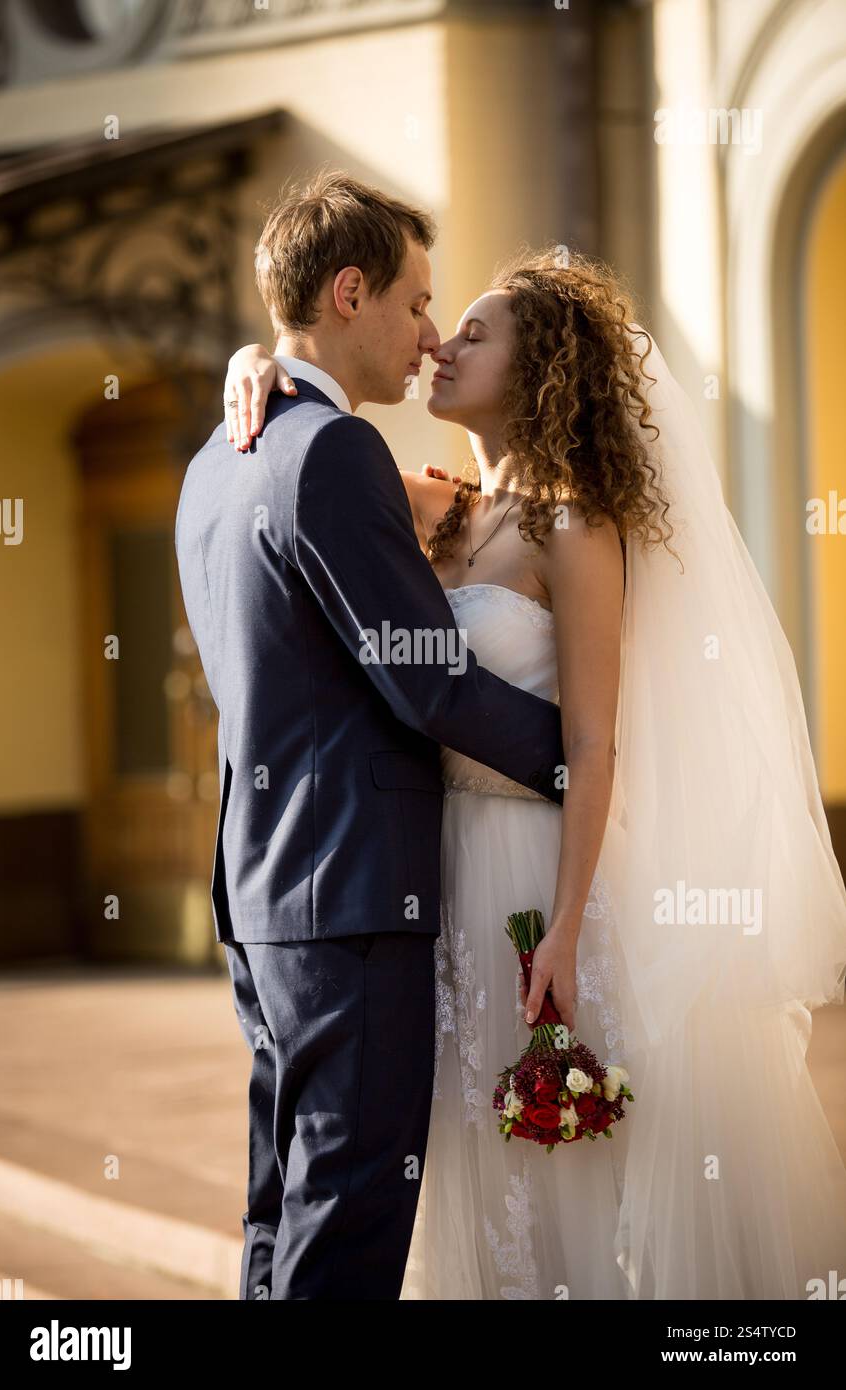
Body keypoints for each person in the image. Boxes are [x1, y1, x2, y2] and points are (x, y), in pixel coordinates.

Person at [225, 243, 846, 1299]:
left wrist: (561, 928)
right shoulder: (445, 509)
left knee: (563, 1162)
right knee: (470, 1152)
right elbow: (311, 453)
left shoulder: (572, 522)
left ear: (542, 364)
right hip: (439, 867)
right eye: (438, 321)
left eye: (472, 331)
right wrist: (250, 360)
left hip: (540, 872)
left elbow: (596, 741)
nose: (438, 344)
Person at [174, 170, 570, 1301]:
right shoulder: (328, 451)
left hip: (264, 894)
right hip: (349, 898)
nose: (428, 333)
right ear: (348, 293)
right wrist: (583, 756)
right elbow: (426, 681)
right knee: (346, 1224)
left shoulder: (219, 460)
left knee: (282, 1206)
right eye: (413, 301)